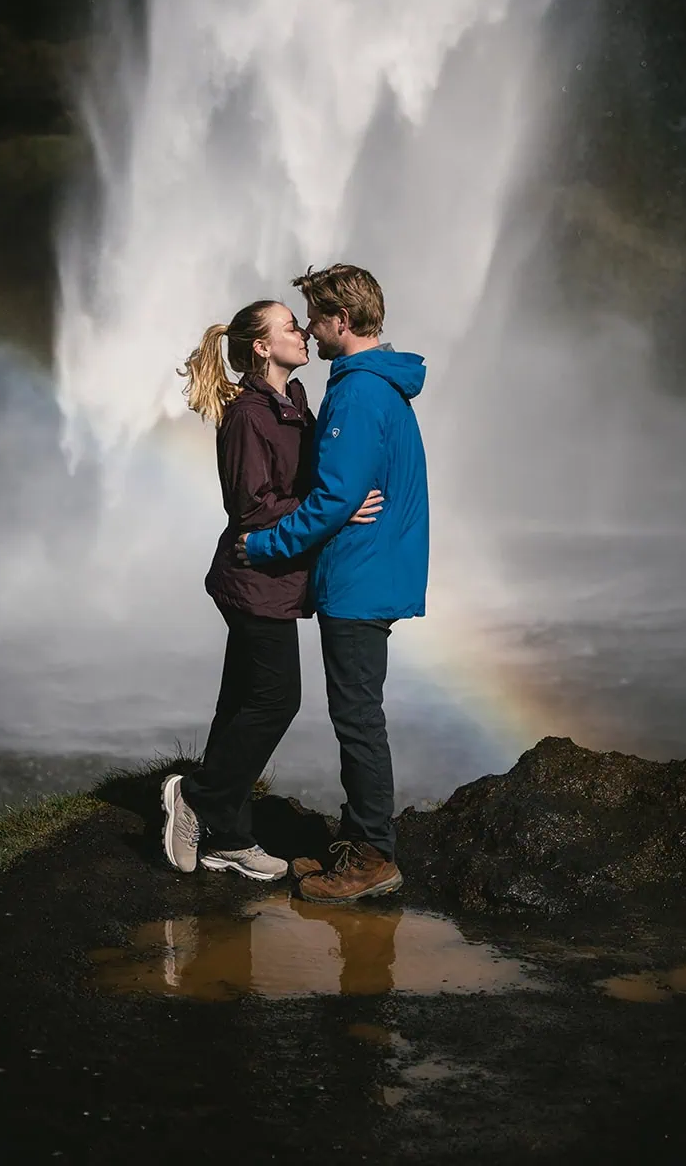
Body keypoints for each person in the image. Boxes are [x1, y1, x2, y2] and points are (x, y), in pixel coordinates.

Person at [161, 298, 382, 881]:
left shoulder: (294, 402)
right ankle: (197, 800)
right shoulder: (247, 416)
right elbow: (251, 509)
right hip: (254, 578)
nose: (304, 332)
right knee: (278, 699)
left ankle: (227, 836)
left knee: (239, 703)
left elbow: (307, 482)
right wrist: (337, 510)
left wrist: (339, 497)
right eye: (290, 327)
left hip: (278, 580)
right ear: (262, 347)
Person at [237, 264, 428, 903]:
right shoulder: (377, 385)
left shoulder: (357, 393)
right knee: (358, 712)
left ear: (340, 322)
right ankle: (359, 841)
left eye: (314, 319)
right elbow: (345, 492)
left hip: (360, 577)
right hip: (371, 569)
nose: (311, 331)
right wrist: (345, 500)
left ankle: (373, 857)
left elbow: (335, 496)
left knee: (356, 717)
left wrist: (263, 544)